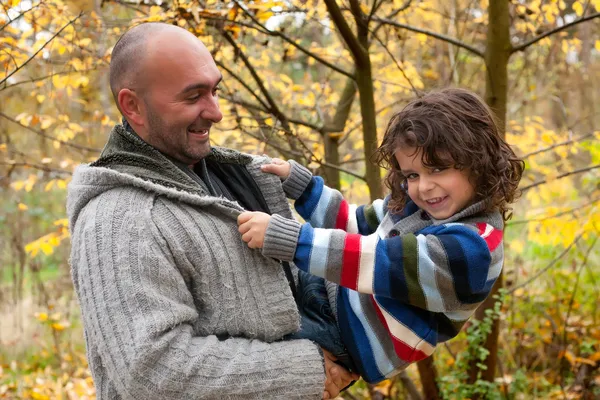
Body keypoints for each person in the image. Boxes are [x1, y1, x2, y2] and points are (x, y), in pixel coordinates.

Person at [66, 22, 357, 399]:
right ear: (133, 106)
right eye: (193, 97)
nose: (216, 112)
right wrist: (306, 370)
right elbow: (152, 372)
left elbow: (296, 291)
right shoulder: (117, 220)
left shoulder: (246, 177)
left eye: (215, 90)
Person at [237, 88, 525, 383]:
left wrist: (293, 240)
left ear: (478, 162)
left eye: (437, 169)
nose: (423, 187)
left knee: (246, 356)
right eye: (412, 174)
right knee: (242, 290)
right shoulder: (415, 203)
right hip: (330, 294)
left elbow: (376, 261)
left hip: (345, 336)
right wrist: (304, 187)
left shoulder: (473, 250)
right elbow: (353, 224)